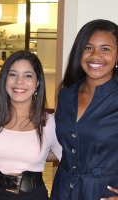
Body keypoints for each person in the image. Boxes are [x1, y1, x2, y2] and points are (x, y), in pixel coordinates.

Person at [0, 50, 62, 200]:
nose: (19, 82)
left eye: (28, 75)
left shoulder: (50, 123)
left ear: (37, 83)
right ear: (4, 79)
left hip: (32, 196)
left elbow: (74, 158)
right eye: (13, 74)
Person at [50, 19, 118, 200]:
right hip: (63, 190)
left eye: (105, 49)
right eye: (88, 48)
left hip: (103, 193)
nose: (95, 55)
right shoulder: (66, 94)